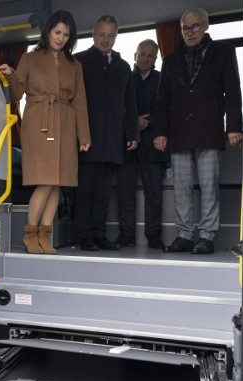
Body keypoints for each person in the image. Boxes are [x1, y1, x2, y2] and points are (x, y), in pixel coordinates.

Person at [0, 10, 91, 254]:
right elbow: (17, 94)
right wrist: (11, 76)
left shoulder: (75, 65)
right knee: (46, 181)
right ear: (48, 31)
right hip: (39, 121)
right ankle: (31, 234)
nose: (61, 38)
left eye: (66, 34)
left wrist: (84, 137)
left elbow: (80, 101)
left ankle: (44, 237)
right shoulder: (30, 58)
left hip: (65, 122)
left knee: (58, 183)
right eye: (57, 32)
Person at [154, 8, 243, 255]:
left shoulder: (224, 52)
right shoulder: (171, 60)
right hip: (178, 132)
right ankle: (184, 234)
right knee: (181, 187)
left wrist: (234, 126)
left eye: (195, 27)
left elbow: (233, 91)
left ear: (205, 26)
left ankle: (206, 235)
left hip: (209, 130)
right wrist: (160, 131)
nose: (190, 32)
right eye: (185, 28)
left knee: (209, 185)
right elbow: (162, 100)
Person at [75, 15, 139, 251]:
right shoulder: (78, 61)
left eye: (111, 35)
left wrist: (133, 134)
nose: (106, 39)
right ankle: (84, 235)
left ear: (116, 36)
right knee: (84, 191)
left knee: (103, 193)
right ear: (93, 35)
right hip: (86, 140)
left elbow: (130, 103)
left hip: (113, 141)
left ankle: (100, 234)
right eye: (101, 34)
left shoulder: (123, 68)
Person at [116, 39, 168, 249]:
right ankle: (126, 234)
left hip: (154, 144)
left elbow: (167, 106)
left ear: (156, 59)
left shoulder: (162, 79)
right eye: (142, 54)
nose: (146, 59)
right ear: (135, 55)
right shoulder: (124, 77)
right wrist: (134, 121)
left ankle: (153, 235)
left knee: (154, 192)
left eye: (151, 55)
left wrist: (148, 122)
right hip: (127, 142)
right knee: (125, 191)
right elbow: (116, 105)